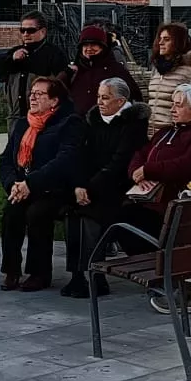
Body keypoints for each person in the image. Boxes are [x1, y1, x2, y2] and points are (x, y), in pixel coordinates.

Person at [129, 82, 191, 312]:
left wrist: (150, 170)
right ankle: (157, 271)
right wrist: (136, 171)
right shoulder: (166, 131)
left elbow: (188, 165)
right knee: (121, 216)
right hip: (153, 197)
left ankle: (163, 274)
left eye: (179, 105)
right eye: (173, 103)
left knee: (133, 218)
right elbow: (140, 153)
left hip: (177, 202)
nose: (173, 108)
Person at [0, 75, 83, 291]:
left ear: (54, 101)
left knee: (37, 213)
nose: (32, 98)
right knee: (11, 212)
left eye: (39, 94)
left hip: (56, 188)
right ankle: (11, 270)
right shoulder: (22, 124)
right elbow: (6, 161)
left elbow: (63, 162)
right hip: (24, 187)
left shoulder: (68, 123)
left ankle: (39, 273)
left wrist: (30, 184)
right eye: (31, 93)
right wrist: (13, 185)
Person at [65, 76, 148, 299]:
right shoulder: (93, 120)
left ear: (121, 102)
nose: (99, 102)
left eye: (105, 97)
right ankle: (80, 274)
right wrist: (79, 185)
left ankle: (92, 274)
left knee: (89, 213)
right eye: (99, 97)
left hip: (120, 186)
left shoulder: (133, 124)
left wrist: (88, 189)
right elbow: (82, 155)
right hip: (93, 185)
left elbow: (119, 162)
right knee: (74, 210)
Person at [0, 13, 69, 123]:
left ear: (43, 31)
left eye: (31, 30)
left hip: (43, 117)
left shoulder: (54, 54)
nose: (26, 34)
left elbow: (61, 86)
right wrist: (12, 58)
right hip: (16, 117)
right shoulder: (16, 52)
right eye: (22, 30)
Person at [144, 23, 191, 131]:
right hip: (152, 135)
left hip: (175, 136)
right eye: (160, 38)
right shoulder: (157, 70)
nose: (161, 43)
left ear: (178, 42)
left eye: (166, 39)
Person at [65, 24, 140, 113]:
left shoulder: (116, 70)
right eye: (85, 45)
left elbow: (134, 97)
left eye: (93, 44)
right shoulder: (75, 72)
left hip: (107, 124)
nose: (89, 48)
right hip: (77, 123)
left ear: (102, 47)